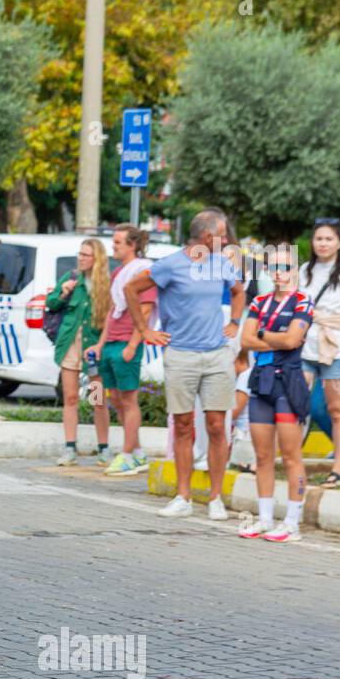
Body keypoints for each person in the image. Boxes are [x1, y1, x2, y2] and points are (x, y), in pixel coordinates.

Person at [124, 208, 245, 519]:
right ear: (206, 236)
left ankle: (215, 499)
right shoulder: (170, 265)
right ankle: (183, 497)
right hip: (180, 355)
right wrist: (145, 330)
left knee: (217, 425)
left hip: (217, 354)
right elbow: (131, 290)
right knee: (182, 425)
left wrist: (234, 322)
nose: (226, 240)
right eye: (222, 235)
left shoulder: (221, 262)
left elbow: (238, 292)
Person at [238, 245, 313, 542]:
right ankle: (265, 518)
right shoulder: (259, 301)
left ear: (295, 270)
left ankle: (292, 523)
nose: (280, 273)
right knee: (262, 455)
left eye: (286, 267)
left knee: (291, 456)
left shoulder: (302, 301)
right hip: (262, 381)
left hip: (288, 382)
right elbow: (245, 340)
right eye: (275, 268)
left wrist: (261, 335)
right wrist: (274, 339)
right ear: (267, 271)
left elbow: (293, 340)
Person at [298, 219, 340, 488]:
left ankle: (338, 468)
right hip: (306, 347)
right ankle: (293, 461)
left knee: (337, 410)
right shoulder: (305, 270)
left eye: (328, 239)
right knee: (296, 405)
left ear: (339, 243)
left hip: (338, 349)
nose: (323, 244)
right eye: (319, 239)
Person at [91, 224, 154, 476]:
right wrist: (100, 343)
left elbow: (146, 311)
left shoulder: (144, 272)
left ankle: (126, 455)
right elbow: (112, 310)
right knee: (115, 399)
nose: (113, 247)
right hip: (111, 343)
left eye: (118, 242)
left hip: (128, 342)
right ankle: (137, 452)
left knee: (128, 400)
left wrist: (132, 344)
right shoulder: (118, 273)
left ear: (132, 245)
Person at [47, 238, 111, 466]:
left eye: (86, 255)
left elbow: (110, 320)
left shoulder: (106, 285)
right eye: (80, 254)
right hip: (70, 346)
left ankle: (103, 448)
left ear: (97, 259)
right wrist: (62, 293)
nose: (80, 258)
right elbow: (51, 303)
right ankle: (69, 448)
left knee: (97, 399)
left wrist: (101, 345)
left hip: (93, 350)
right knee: (70, 397)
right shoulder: (71, 278)